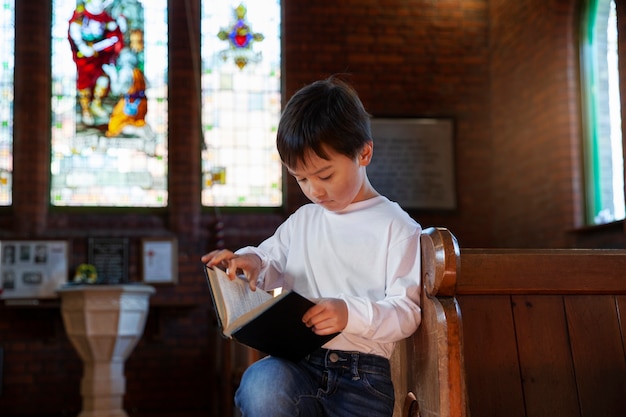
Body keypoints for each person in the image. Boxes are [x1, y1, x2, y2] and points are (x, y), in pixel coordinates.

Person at [201, 74, 422, 417]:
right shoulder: (303, 221)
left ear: (364, 152)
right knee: (261, 382)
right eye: (301, 178)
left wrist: (349, 313)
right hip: (296, 367)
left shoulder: (399, 228)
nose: (314, 191)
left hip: (362, 381)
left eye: (324, 175)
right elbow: (271, 260)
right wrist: (251, 262)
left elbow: (406, 314)